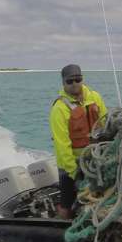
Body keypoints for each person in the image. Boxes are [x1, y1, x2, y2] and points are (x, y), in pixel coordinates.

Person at [50, 64, 107, 219]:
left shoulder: (95, 97)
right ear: (63, 83)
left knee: (100, 194)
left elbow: (107, 123)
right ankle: (62, 224)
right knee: (67, 202)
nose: (75, 84)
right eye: (70, 81)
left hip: (95, 158)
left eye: (78, 79)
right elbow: (62, 145)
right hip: (71, 164)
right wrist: (74, 172)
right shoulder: (59, 109)